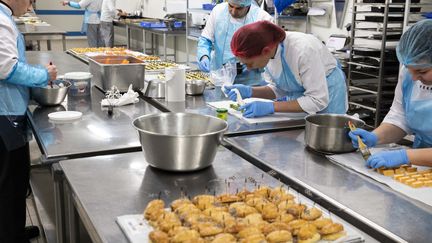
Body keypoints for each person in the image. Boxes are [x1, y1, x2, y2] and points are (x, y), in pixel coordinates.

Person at [0, 0, 57, 242]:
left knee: (16, 178)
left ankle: (13, 229)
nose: (30, 4)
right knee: (9, 181)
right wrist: (44, 75)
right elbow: (6, 69)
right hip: (5, 115)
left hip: (9, 110)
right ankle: (9, 236)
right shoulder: (1, 21)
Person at [349, 19, 432, 169]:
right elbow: (400, 117)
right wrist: (375, 137)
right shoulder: (410, 73)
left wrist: (405, 156)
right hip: (423, 162)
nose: (414, 77)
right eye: (409, 69)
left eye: (422, 71)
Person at [225, 20, 347, 118]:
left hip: (328, 96)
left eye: (250, 63)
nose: (249, 69)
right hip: (301, 101)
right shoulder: (268, 53)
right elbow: (279, 89)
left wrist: (271, 107)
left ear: (266, 51)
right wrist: (250, 91)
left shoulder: (303, 50)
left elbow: (317, 100)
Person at [197, 0, 273, 86]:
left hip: (251, 83)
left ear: (248, 5)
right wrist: (204, 56)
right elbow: (206, 39)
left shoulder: (262, 18)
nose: (233, 11)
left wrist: (253, 64)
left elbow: (270, 53)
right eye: (231, 6)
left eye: (239, 8)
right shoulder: (218, 11)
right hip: (219, 79)